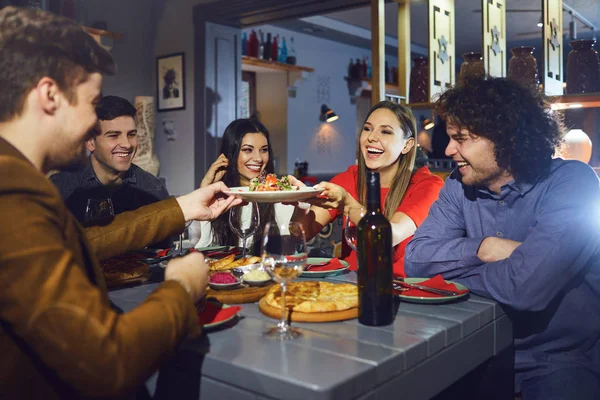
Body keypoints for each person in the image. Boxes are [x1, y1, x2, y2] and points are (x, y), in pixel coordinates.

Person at [0, 7, 240, 399]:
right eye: (93, 104)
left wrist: (182, 207)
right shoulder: (11, 194)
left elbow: (88, 241)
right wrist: (181, 289)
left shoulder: (19, 182)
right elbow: (106, 362)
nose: (96, 125)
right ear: (49, 95)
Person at [404, 77, 600, 400]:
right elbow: (416, 259)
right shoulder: (458, 185)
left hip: (558, 361)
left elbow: (524, 289)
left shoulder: (573, 184)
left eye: (461, 139)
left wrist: (451, 274)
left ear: (504, 138)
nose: (448, 149)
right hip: (476, 351)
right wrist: (483, 249)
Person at [292, 100, 444, 277]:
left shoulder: (426, 185)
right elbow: (302, 233)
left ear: (407, 145)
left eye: (386, 131)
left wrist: (347, 204)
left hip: (402, 291)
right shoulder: (351, 178)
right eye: (367, 128)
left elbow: (389, 235)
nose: (372, 137)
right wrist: (300, 202)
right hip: (350, 288)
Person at [50, 95, 170, 224]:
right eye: (114, 135)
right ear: (90, 142)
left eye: (131, 134)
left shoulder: (153, 190)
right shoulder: (60, 189)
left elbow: (167, 243)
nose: (127, 144)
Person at [189, 118, 294, 254]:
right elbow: (202, 250)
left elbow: (290, 249)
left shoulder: (280, 196)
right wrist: (205, 189)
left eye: (264, 150)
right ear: (231, 153)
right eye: (248, 150)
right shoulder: (221, 197)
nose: (258, 158)